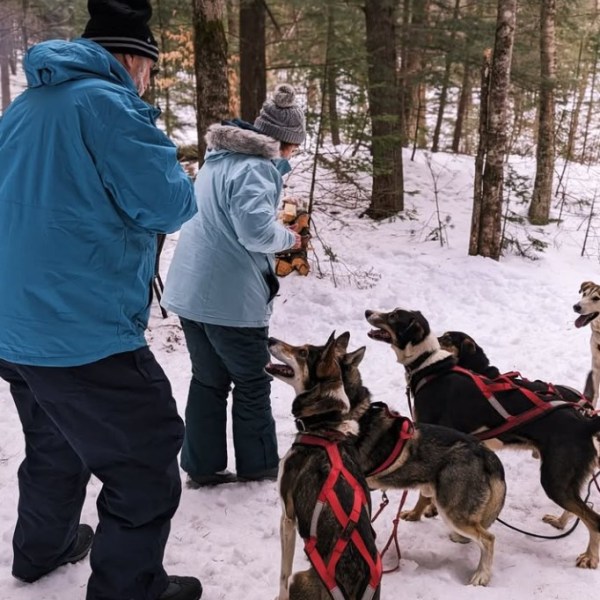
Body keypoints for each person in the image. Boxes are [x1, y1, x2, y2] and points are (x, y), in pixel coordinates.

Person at [0, 1, 202, 599]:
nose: (147, 81)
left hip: (15, 323)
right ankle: (130, 591)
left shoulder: (26, 105)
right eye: (148, 69)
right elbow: (170, 205)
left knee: (55, 435)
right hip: (79, 327)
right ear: (133, 60)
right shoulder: (109, 105)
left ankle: (43, 547)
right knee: (145, 456)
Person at [161, 84, 306, 487]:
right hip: (229, 301)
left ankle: (202, 466)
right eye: (293, 147)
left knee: (208, 380)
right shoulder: (257, 168)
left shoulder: (218, 161)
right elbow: (256, 233)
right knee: (252, 380)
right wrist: (289, 238)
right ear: (282, 142)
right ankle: (258, 465)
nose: (293, 155)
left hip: (191, 293)